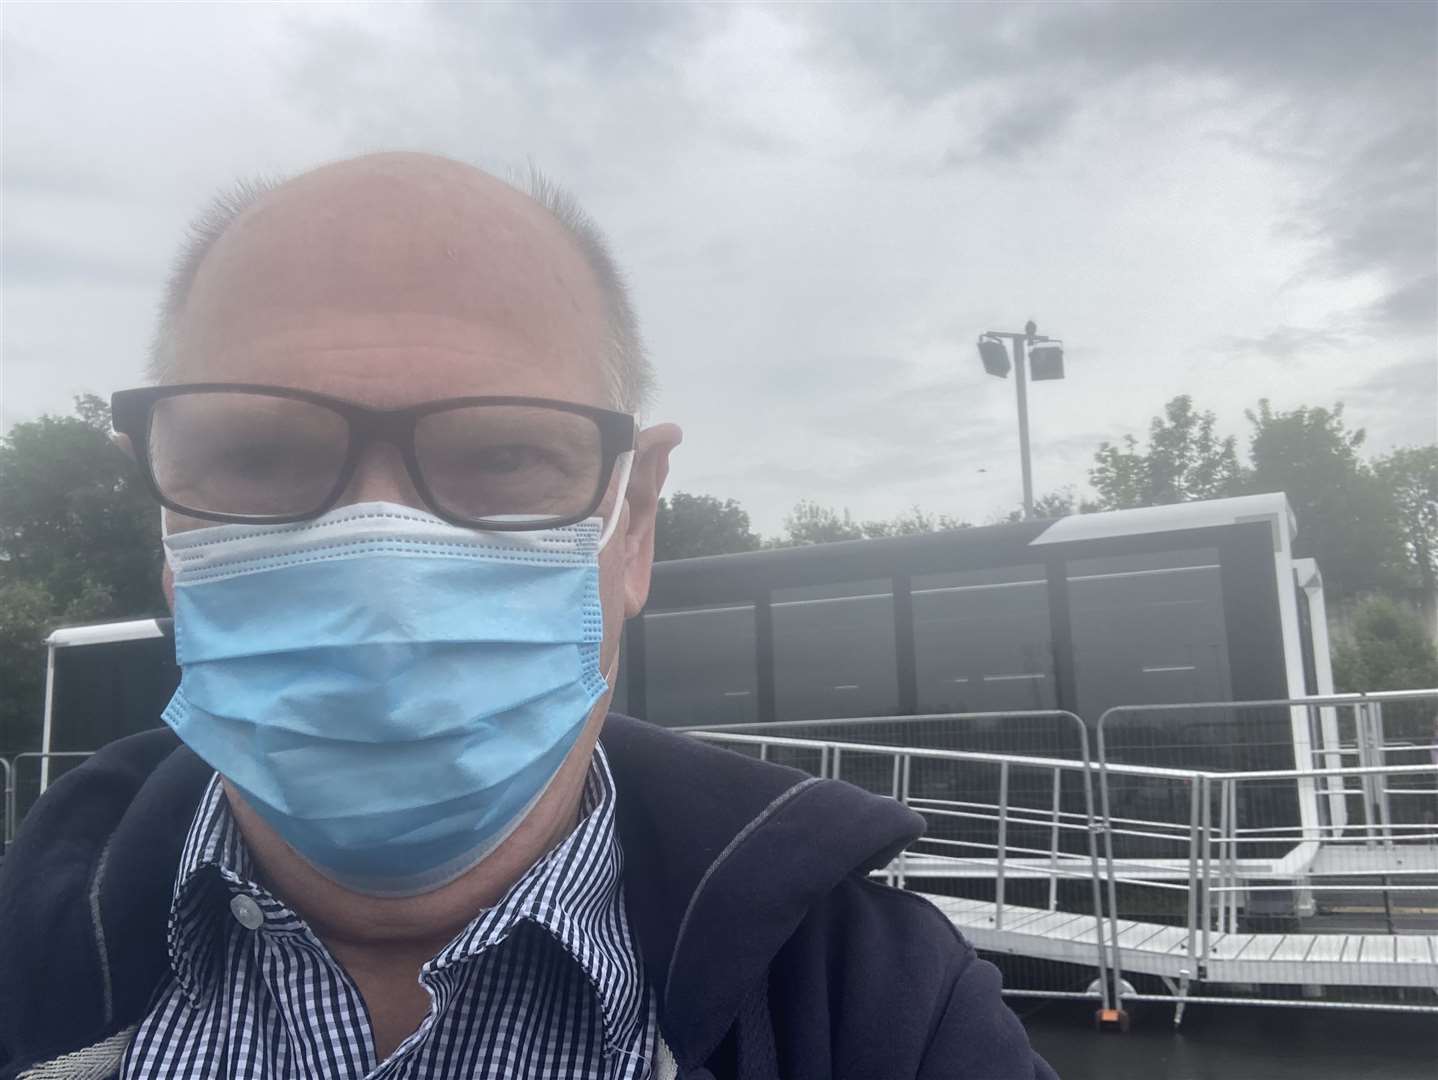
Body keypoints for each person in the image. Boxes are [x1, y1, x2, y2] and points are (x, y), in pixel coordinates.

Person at [0, 152, 1056, 1080]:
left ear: (632, 524)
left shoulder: (880, 1012)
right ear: (168, 524)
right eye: (261, 458)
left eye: (502, 458)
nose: (383, 580)